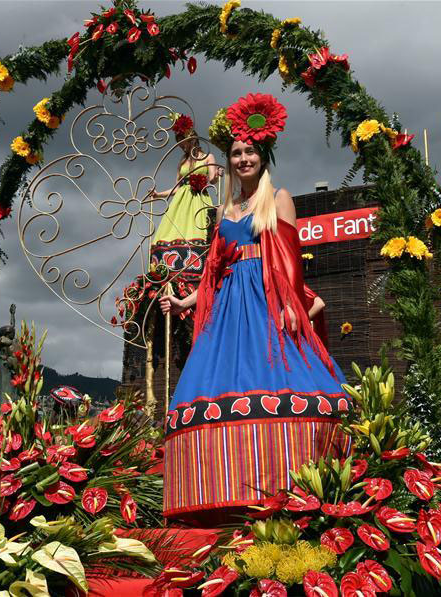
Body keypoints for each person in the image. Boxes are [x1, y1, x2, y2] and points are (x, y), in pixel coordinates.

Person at [158, 93, 348, 523]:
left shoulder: (278, 199)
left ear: (263, 157)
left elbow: (289, 261)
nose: (243, 159)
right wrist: (185, 300)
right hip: (228, 308)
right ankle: (230, 492)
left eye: (249, 152)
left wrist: (291, 305)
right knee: (216, 389)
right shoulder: (224, 209)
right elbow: (213, 271)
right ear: (228, 161)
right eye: (236, 153)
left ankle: (291, 487)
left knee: (279, 380)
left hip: (264, 300)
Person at [149, 112, 219, 285]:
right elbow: (177, 187)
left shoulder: (208, 157)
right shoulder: (182, 162)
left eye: (183, 142)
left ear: (191, 139)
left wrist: (217, 174)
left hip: (199, 201)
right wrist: (158, 194)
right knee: (170, 232)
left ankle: (199, 269)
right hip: (181, 204)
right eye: (179, 143)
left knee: (201, 232)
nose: (181, 147)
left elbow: (213, 180)